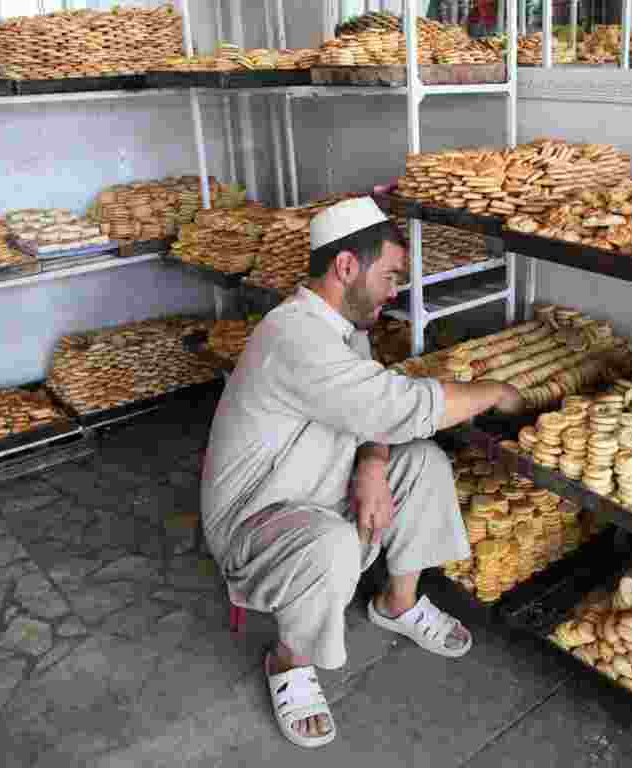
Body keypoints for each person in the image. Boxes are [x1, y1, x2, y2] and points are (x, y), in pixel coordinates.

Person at [200, 197, 524, 749]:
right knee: (329, 542)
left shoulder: (346, 328)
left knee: (421, 462)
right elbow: (396, 405)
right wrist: (495, 392)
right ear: (347, 267)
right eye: (391, 276)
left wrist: (373, 465)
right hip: (257, 519)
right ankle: (288, 658)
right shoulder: (295, 336)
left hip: (320, 486)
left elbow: (371, 402)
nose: (396, 291)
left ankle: (397, 603)